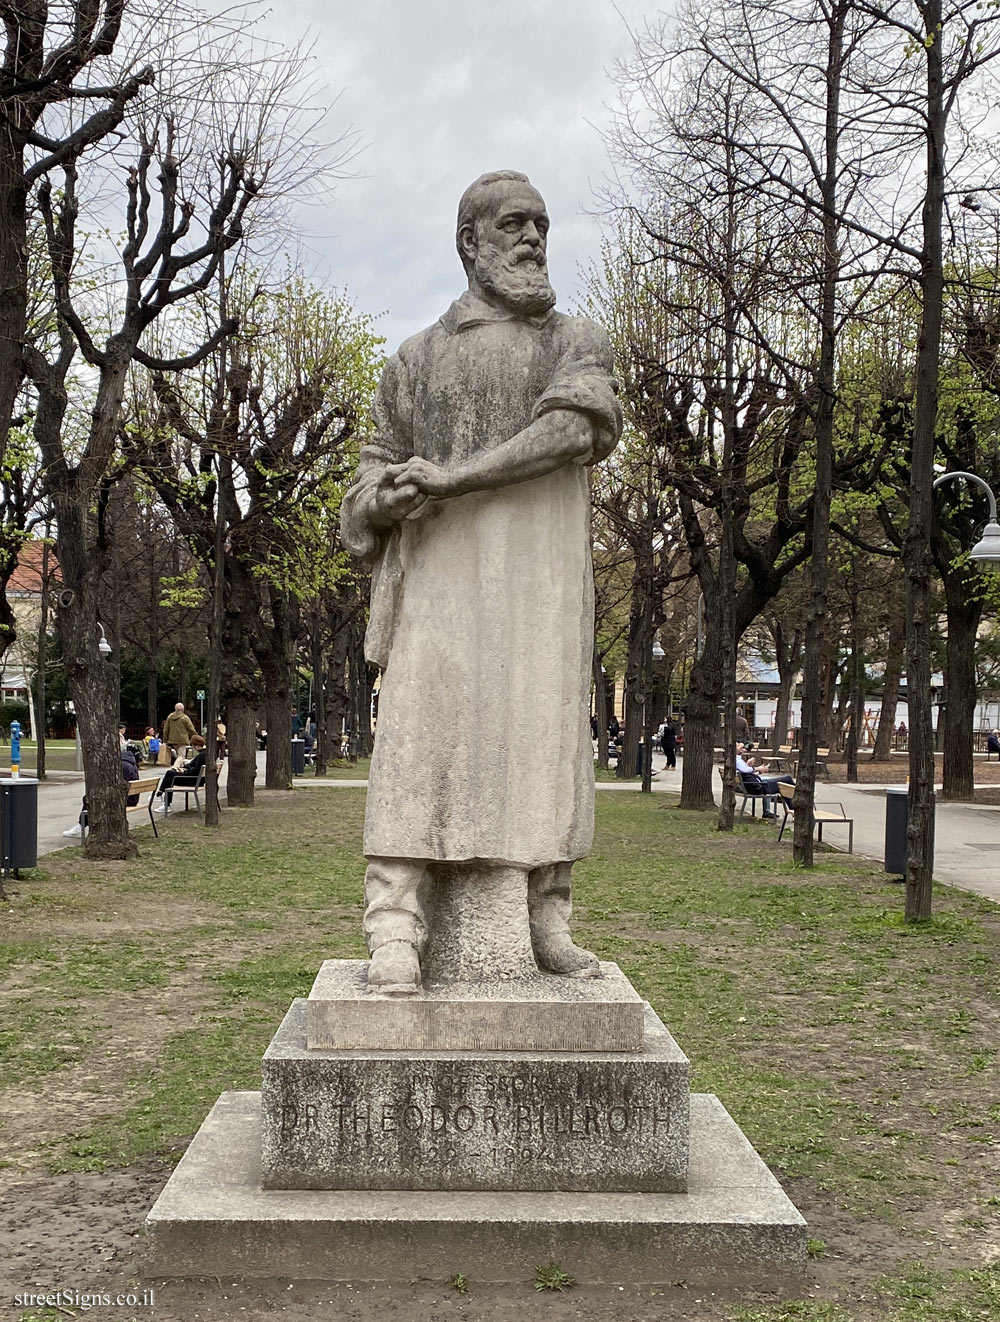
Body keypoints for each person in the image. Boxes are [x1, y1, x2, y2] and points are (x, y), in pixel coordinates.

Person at [341, 169, 622, 994]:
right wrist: (384, 496)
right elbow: (365, 481)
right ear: (471, 243)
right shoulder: (416, 360)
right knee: (417, 741)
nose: (533, 238)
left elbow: (572, 430)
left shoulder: (573, 340)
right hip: (438, 587)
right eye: (512, 225)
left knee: (547, 738)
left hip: (540, 588)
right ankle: (394, 926)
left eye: (541, 224)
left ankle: (547, 917)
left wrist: (456, 479)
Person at [63, 745, 140, 838]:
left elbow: (118, 785)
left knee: (90, 798)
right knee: (91, 797)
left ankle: (81, 826)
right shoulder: (130, 763)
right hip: (131, 797)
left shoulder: (123, 766)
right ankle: (84, 824)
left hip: (127, 799)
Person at [735, 744, 793, 819]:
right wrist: (758, 768)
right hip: (758, 787)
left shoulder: (736, 760)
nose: (742, 748)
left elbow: (745, 773)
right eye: (739, 746)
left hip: (752, 785)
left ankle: (770, 811)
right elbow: (745, 771)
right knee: (786, 780)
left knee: (784, 786)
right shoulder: (737, 760)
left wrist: (749, 766)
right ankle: (796, 802)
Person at [153, 735, 207, 814]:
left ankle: (163, 798)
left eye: (193, 746)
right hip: (198, 779)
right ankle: (163, 798)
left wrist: (184, 771)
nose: (193, 748)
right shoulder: (204, 754)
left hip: (194, 780)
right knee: (170, 777)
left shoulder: (201, 756)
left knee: (170, 774)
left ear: (196, 745)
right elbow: (193, 766)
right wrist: (186, 768)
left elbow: (195, 770)